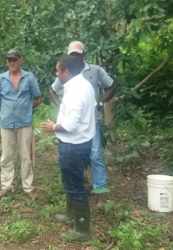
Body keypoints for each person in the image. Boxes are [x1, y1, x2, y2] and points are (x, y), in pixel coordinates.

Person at [49, 41, 117, 211]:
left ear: (83, 55)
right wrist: (61, 106)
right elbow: (53, 90)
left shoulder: (92, 73)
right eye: (72, 55)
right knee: (74, 170)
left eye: (78, 55)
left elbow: (70, 125)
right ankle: (74, 203)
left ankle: (99, 193)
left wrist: (55, 126)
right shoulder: (72, 81)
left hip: (87, 125)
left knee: (95, 158)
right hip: (77, 127)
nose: (75, 58)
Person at [40, 55, 96, 242]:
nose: (56, 74)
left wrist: (53, 127)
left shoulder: (75, 91)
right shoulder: (84, 85)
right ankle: (71, 214)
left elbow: (70, 124)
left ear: (66, 72)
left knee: (75, 184)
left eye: (58, 71)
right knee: (70, 180)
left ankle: (82, 230)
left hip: (74, 144)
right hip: (80, 142)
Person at [0, 49, 41, 199]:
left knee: (26, 155)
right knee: (6, 156)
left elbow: (37, 98)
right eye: (9, 60)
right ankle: (6, 186)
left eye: (14, 59)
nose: (11, 62)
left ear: (20, 60)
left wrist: (26, 110)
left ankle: (28, 187)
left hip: (25, 123)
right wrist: (4, 109)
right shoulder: (1, 78)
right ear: (7, 62)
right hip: (6, 123)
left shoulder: (29, 77)